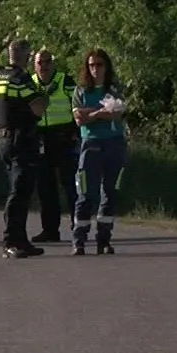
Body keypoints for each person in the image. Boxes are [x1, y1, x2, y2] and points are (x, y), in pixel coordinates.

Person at [0, 39, 48, 258]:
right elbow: (36, 108)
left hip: (4, 140)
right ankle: (11, 241)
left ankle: (21, 240)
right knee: (20, 191)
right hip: (21, 140)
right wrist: (44, 97)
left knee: (18, 189)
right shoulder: (20, 79)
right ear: (25, 57)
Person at [70, 47, 128, 255]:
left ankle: (104, 238)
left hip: (113, 143)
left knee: (110, 191)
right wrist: (100, 113)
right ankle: (79, 239)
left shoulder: (114, 89)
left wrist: (91, 115)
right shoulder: (81, 91)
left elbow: (116, 114)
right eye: (91, 65)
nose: (95, 69)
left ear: (106, 66)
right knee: (85, 193)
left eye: (99, 65)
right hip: (90, 144)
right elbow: (79, 119)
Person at [31, 49, 79, 242]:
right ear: (34, 65)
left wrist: (76, 132)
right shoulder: (30, 83)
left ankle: (79, 226)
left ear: (54, 63)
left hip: (65, 138)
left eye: (48, 61)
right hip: (42, 140)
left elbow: (78, 103)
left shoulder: (64, 80)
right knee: (45, 188)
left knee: (71, 185)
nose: (44, 65)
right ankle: (50, 230)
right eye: (40, 62)